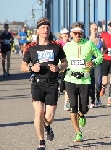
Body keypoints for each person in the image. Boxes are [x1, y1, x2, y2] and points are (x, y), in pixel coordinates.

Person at [21, 17, 67, 150]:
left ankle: (47, 126)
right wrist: (31, 68)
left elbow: (65, 62)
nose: (45, 30)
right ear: (38, 30)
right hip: (37, 83)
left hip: (52, 83)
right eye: (42, 28)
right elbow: (23, 66)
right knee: (39, 112)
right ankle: (41, 142)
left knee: (49, 117)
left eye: (47, 27)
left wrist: (58, 68)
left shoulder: (56, 46)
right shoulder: (31, 48)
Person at [63, 22, 103, 142]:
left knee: (84, 107)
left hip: (85, 79)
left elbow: (100, 56)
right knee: (73, 106)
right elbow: (61, 60)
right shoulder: (66, 46)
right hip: (70, 79)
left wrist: (94, 62)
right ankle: (78, 132)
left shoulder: (89, 44)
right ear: (71, 34)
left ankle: (82, 114)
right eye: (75, 33)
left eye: (80, 33)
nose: (77, 35)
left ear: (83, 33)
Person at [99, 20, 111, 105]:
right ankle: (103, 87)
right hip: (105, 59)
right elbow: (99, 44)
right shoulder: (104, 34)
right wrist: (102, 49)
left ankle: (110, 98)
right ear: (109, 26)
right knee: (105, 81)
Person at [89, 23, 103, 108]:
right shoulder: (87, 40)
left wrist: (102, 53)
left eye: (96, 28)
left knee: (98, 82)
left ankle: (98, 97)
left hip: (98, 63)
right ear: (90, 29)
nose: (94, 29)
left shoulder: (101, 40)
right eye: (93, 28)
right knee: (90, 82)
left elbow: (105, 48)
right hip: (89, 63)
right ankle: (92, 100)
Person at [57, 28, 71, 111]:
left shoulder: (71, 43)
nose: (66, 35)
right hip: (60, 66)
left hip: (68, 66)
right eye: (64, 34)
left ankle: (66, 103)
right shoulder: (58, 43)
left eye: (67, 34)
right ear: (61, 35)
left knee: (67, 85)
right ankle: (58, 88)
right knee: (61, 85)